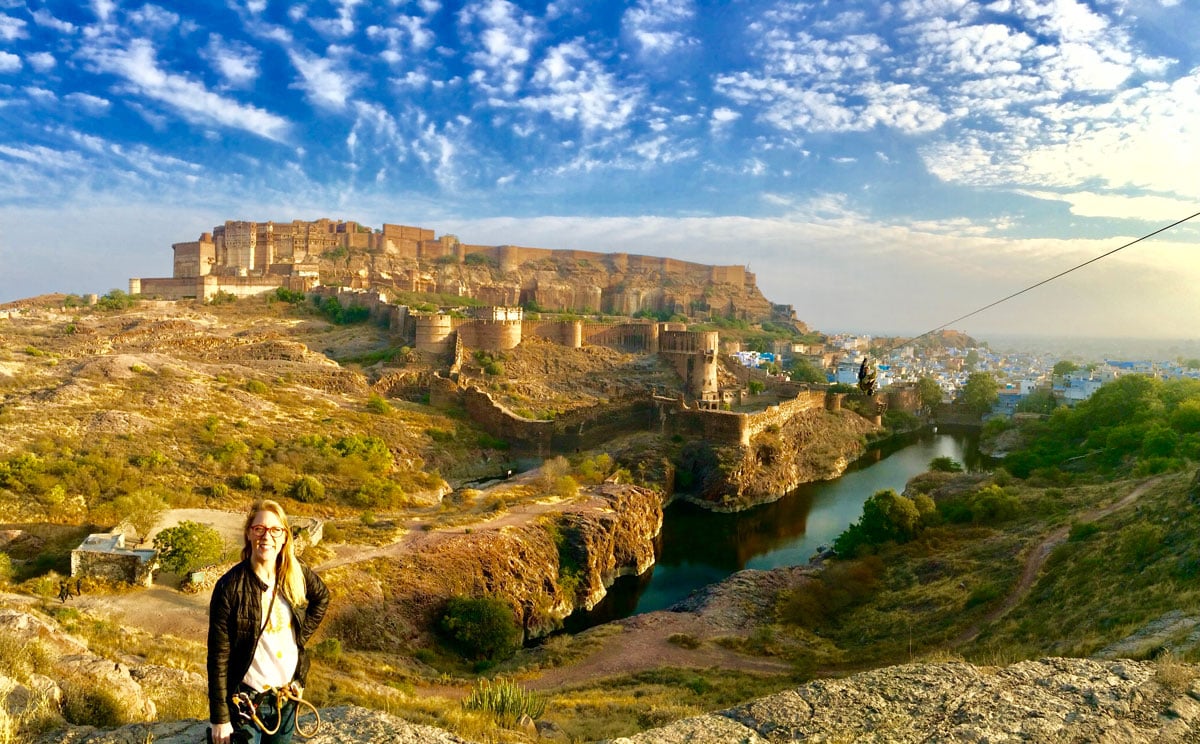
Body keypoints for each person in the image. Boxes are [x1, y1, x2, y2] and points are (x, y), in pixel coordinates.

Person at [207, 500, 329, 744]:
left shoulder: (295, 573)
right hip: (246, 703)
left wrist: (299, 639)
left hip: (287, 699)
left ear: (285, 537)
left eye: (275, 530)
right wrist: (219, 719)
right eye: (259, 529)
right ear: (249, 533)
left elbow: (322, 598)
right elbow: (218, 655)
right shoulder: (229, 587)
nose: (267, 536)